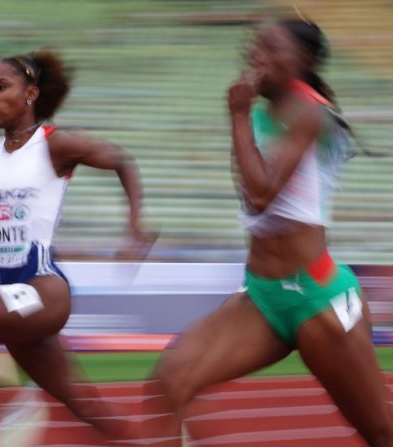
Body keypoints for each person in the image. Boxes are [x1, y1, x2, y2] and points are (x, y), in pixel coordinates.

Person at [144, 17, 393, 447]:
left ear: (304, 60)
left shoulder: (309, 112)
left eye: (271, 48)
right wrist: (244, 116)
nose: (256, 55)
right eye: (254, 45)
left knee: (380, 433)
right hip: (263, 297)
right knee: (169, 384)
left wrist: (237, 114)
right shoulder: (262, 113)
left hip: (319, 301)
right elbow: (249, 191)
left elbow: (261, 195)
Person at [0, 50, 145, 438]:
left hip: (41, 292)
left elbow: (122, 161)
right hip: (10, 296)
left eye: (2, 87)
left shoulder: (54, 145)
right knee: (85, 407)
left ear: (31, 94)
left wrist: (135, 227)